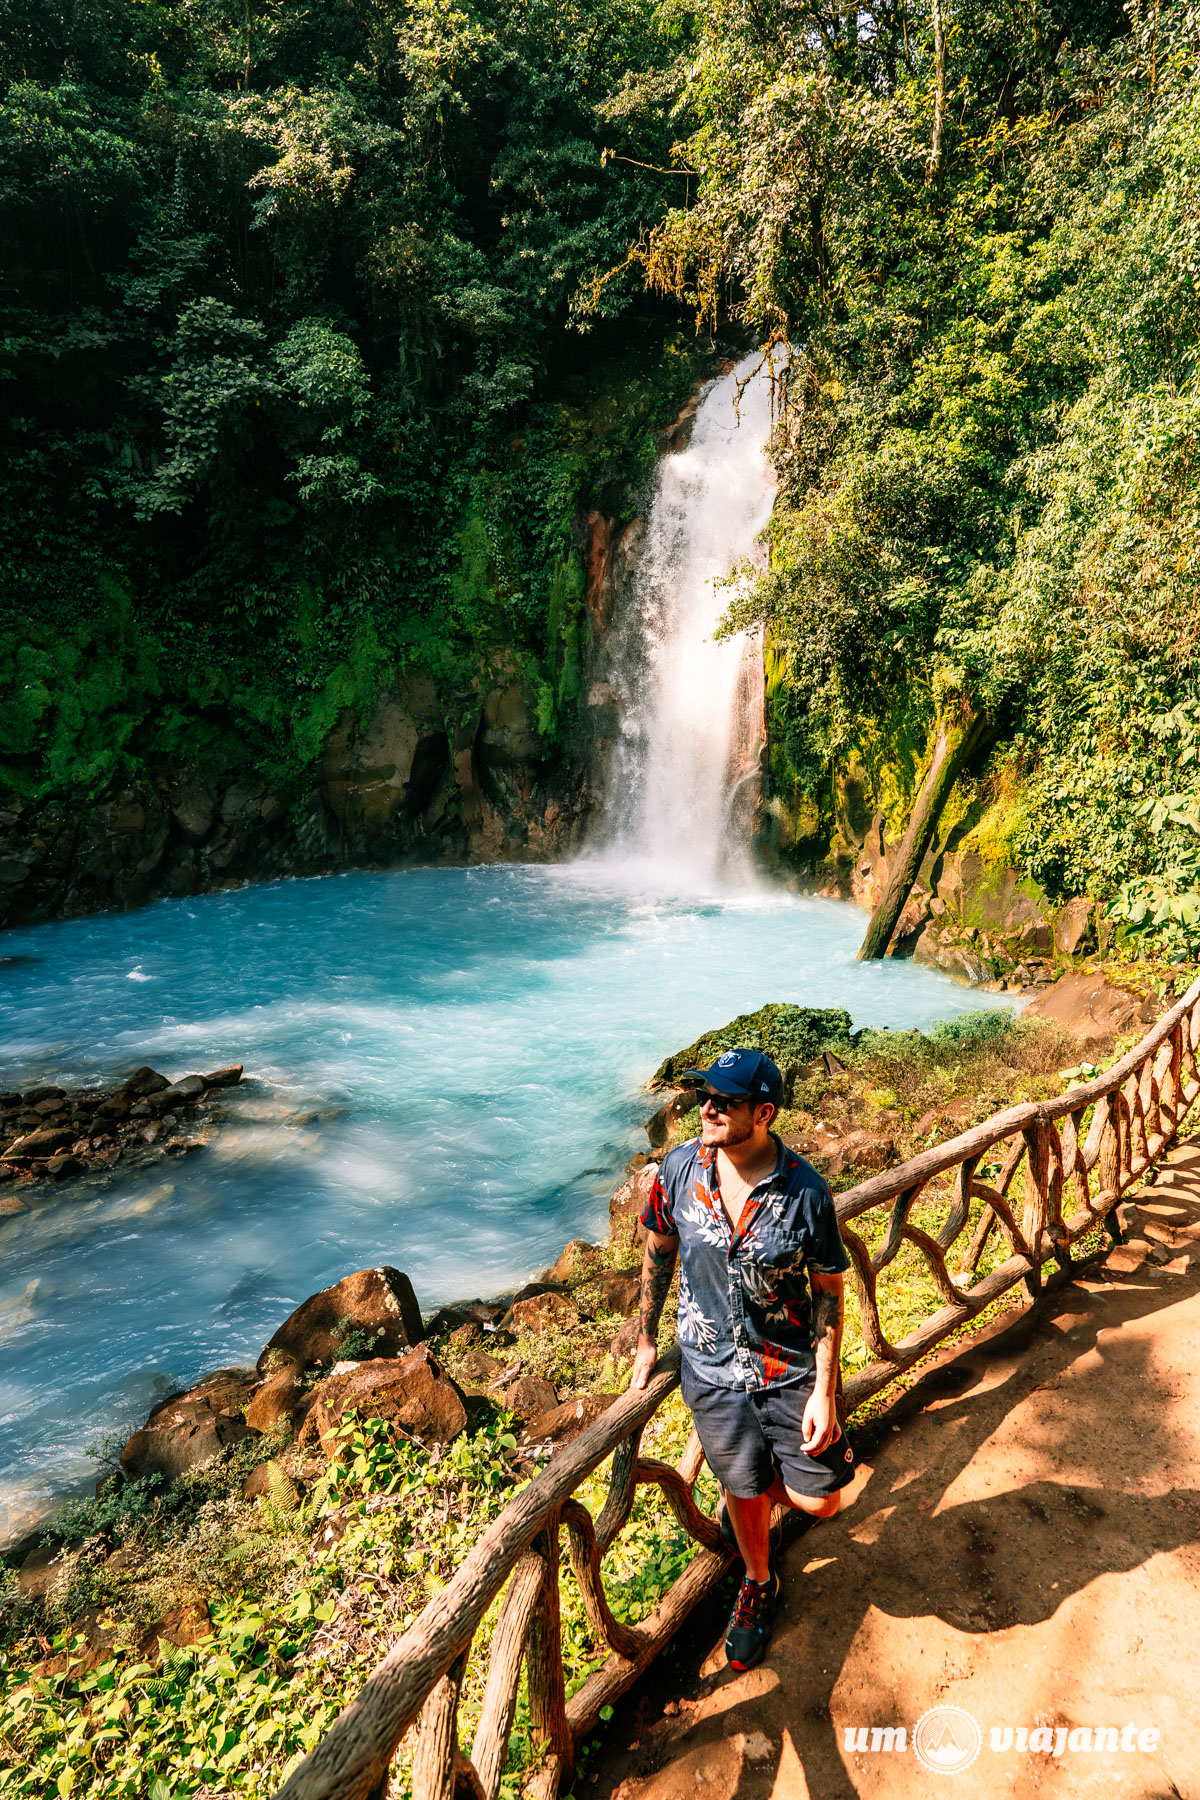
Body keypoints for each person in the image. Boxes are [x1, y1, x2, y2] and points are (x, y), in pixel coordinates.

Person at [630, 1046, 856, 1671]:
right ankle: (757, 1581)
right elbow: (658, 1251)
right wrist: (645, 1338)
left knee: (823, 1501)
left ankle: (755, 1498)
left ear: (764, 1112)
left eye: (723, 1102)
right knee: (740, 1484)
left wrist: (825, 1390)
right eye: (705, 1095)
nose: (706, 1107)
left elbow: (829, 1288)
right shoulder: (678, 1171)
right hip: (709, 1373)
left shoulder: (805, 1191)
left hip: (786, 1371)